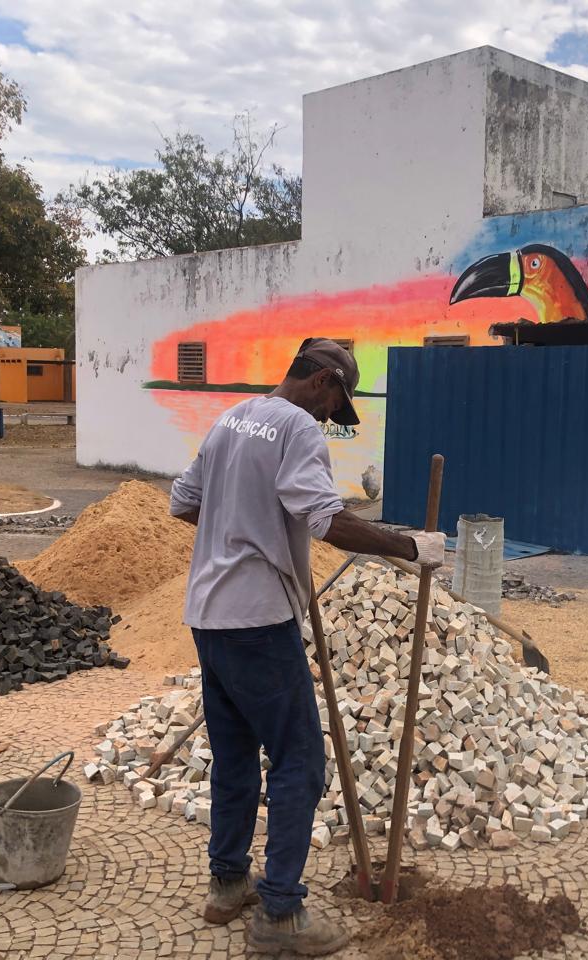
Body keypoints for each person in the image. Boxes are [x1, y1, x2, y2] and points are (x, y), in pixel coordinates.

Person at [170, 337, 445, 955]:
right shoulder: (298, 428)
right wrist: (410, 548)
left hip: (208, 616)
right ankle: (282, 914)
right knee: (300, 761)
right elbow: (328, 520)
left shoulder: (228, 421)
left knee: (236, 752)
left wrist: (240, 529)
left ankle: (227, 884)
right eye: (334, 404)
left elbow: (183, 502)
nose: (330, 418)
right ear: (321, 381)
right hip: (261, 621)